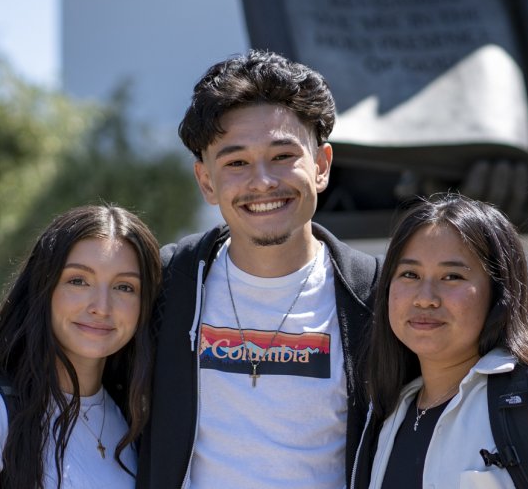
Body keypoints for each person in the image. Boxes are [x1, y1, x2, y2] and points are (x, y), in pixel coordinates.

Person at [136, 50, 379, 489]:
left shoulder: (377, 297)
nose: (262, 182)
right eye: (236, 163)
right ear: (206, 181)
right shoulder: (164, 284)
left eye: (283, 155)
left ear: (321, 165)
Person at [354, 194, 528, 489]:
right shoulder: (385, 413)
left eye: (452, 276)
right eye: (410, 274)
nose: (425, 298)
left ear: (499, 293)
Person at [0, 205, 161, 488]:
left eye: (125, 287)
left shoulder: (136, 420)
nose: (102, 307)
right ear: (43, 289)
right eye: (78, 281)